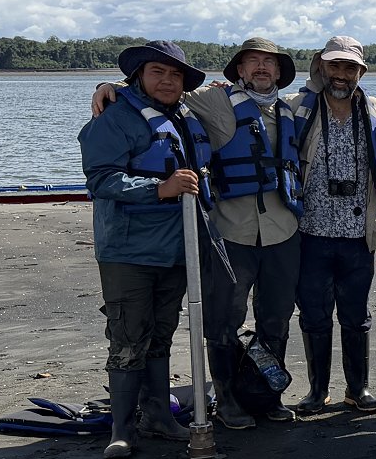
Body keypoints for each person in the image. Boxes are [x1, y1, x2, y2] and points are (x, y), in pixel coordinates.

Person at [92, 37, 307, 429]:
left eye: (269, 63)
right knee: (223, 320)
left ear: (279, 73)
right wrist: (111, 87)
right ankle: (227, 402)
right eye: (252, 62)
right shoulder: (211, 101)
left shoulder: (291, 109)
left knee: (276, 319)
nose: (261, 68)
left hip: (283, 232)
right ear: (238, 70)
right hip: (230, 234)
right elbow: (157, 91)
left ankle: (266, 396)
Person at [77, 40, 212, 459]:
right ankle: (121, 429)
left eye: (175, 75)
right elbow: (100, 179)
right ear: (139, 76)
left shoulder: (185, 116)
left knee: (160, 335)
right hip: (129, 251)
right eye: (158, 72)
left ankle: (158, 415)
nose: (168, 81)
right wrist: (160, 188)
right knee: (128, 338)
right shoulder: (114, 117)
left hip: (177, 249)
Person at [292, 36, 376, 415]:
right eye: (334, 66)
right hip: (310, 235)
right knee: (314, 317)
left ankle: (358, 390)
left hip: (357, 238)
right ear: (320, 66)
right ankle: (318, 392)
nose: (341, 74)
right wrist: (114, 87)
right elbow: (238, 100)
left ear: (361, 72)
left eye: (350, 67)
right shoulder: (297, 108)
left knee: (356, 317)